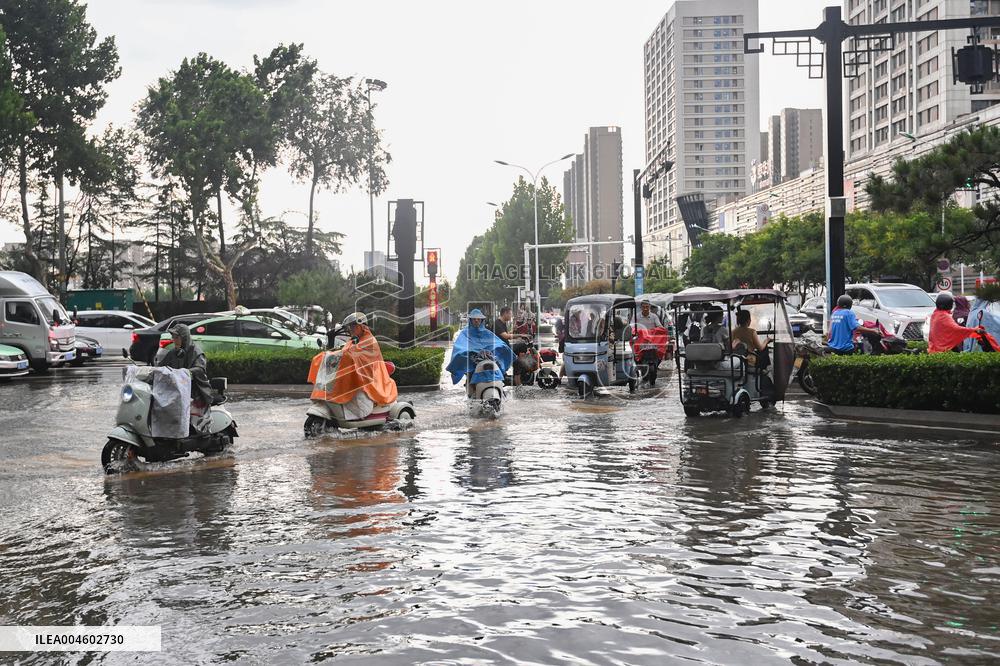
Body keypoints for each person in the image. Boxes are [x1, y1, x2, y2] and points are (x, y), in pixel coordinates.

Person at [309, 312, 398, 421]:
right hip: (359, 375)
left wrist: (342, 354)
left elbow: (355, 355)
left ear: (362, 326)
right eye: (350, 327)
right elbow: (345, 353)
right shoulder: (352, 341)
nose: (351, 329)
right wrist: (329, 354)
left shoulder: (370, 341)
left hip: (371, 379)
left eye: (353, 326)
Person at [446, 309, 513, 394]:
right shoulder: (465, 333)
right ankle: (471, 395)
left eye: (478, 319)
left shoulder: (487, 333)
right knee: (470, 375)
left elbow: (496, 342)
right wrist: (466, 352)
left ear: (482, 320)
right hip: (472, 361)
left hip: (487, 358)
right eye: (474, 319)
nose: (476, 320)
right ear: (471, 320)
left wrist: (503, 347)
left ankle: (500, 390)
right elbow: (460, 346)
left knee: (497, 371)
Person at [157, 323, 213, 408]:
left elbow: (200, 369)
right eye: (173, 337)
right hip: (176, 390)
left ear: (184, 338)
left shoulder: (196, 352)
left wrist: (184, 372)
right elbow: (161, 367)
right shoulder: (173, 352)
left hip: (194, 392)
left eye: (177, 338)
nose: (174, 340)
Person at [635, 301, 666, 386]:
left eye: (647, 307)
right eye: (644, 307)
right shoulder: (636, 316)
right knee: (636, 355)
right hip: (641, 341)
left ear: (649, 307)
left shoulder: (654, 316)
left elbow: (659, 326)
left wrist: (659, 329)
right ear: (641, 307)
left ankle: (656, 364)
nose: (645, 308)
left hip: (652, 340)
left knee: (660, 352)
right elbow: (632, 326)